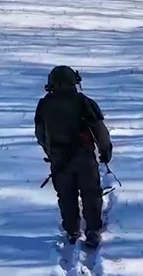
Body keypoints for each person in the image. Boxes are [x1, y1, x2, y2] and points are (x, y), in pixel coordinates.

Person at [34, 65, 113, 248]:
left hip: (59, 159)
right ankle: (92, 230)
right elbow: (99, 129)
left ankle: (72, 230)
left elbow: (40, 134)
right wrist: (105, 149)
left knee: (66, 194)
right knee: (91, 192)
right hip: (84, 156)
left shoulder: (44, 104)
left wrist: (51, 153)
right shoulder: (84, 102)